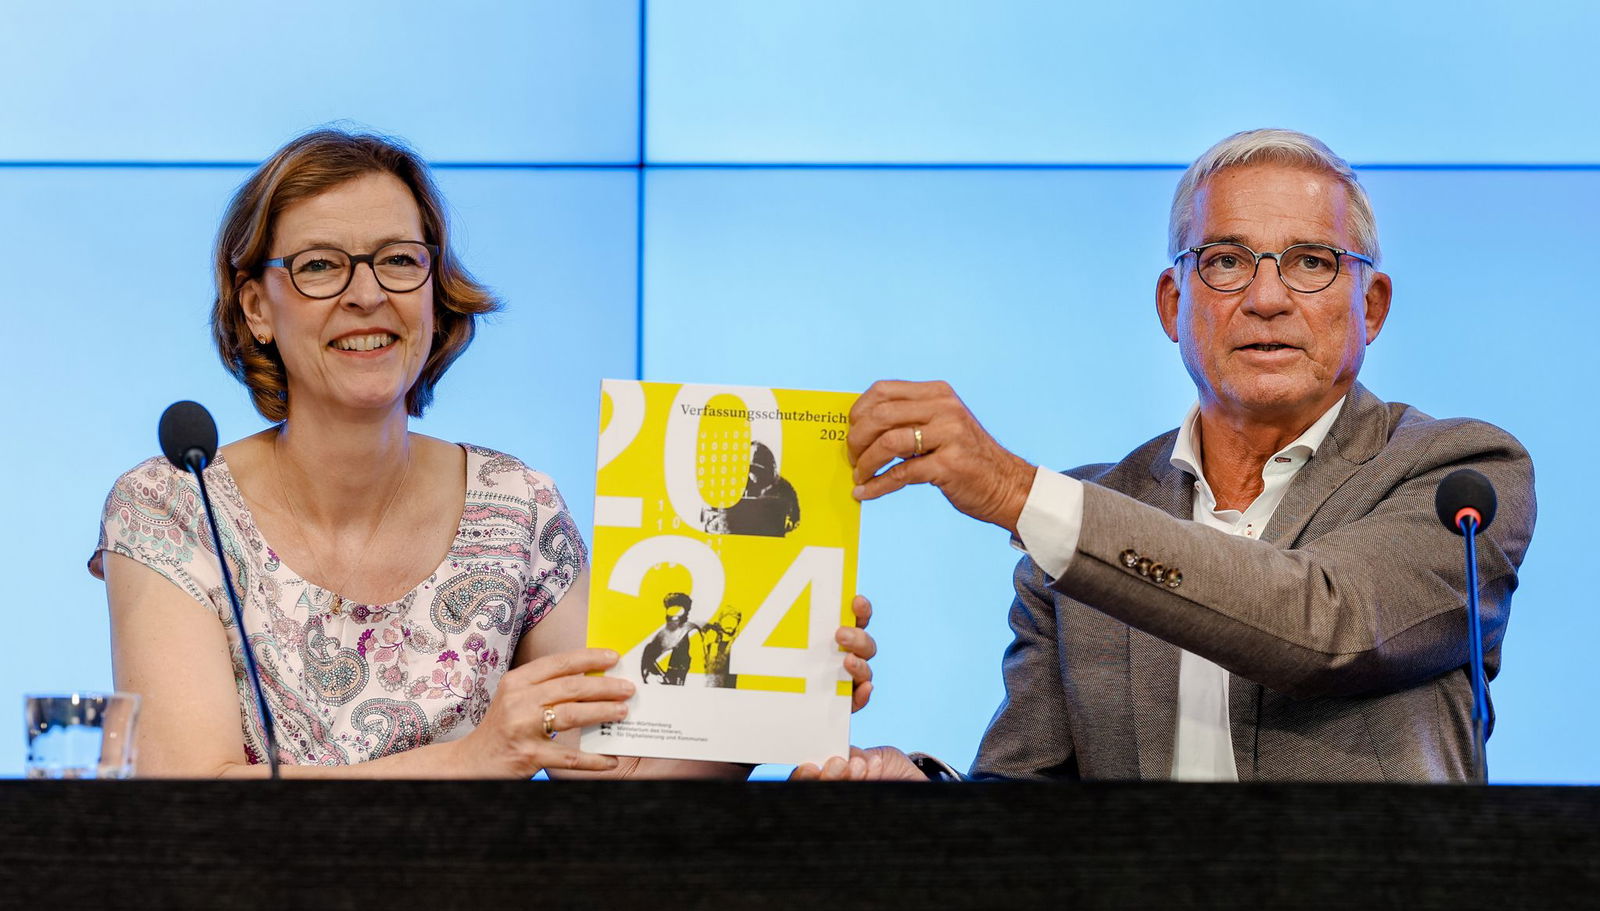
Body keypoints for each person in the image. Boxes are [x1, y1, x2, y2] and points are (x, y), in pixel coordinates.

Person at [91, 128, 877, 779]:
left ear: (435, 293)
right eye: (321, 265)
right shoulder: (169, 503)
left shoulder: (517, 504)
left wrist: (772, 694)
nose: (368, 294)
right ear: (256, 305)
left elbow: (621, 775)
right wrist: (476, 757)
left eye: (400, 259)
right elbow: (190, 796)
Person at [805, 128, 1535, 782]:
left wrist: (1015, 493)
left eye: (1311, 261)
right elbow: (1024, 805)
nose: (1268, 297)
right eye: (1226, 261)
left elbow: (1330, 627)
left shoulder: (1459, 475)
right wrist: (918, 798)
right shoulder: (1091, 517)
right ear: (1171, 303)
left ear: (1370, 306)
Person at [641, 592, 703, 686]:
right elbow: (648, 660)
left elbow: (697, 666)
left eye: (678, 611)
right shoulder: (661, 635)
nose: (674, 617)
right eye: (671, 611)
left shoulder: (691, 632)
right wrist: (654, 677)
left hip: (682, 682)